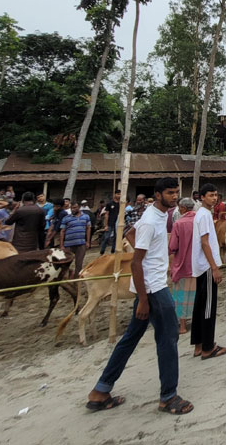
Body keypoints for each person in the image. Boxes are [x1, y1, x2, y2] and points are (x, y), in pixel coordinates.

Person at [86, 177, 192, 415]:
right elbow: (136, 262)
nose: (174, 196)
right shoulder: (150, 222)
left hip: (149, 287)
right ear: (157, 195)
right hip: (154, 289)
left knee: (130, 338)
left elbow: (131, 235)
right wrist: (143, 299)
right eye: (169, 193)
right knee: (168, 338)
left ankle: (100, 390)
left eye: (176, 192)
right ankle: (168, 396)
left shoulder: (159, 215)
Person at [190, 183, 226, 359]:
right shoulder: (204, 215)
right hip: (206, 267)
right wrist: (214, 267)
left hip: (200, 266)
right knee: (208, 308)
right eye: (210, 195)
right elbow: (205, 242)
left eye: (215, 195)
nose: (214, 198)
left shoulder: (201, 214)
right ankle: (208, 347)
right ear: (202, 197)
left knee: (199, 306)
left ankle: (198, 345)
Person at [169, 197, 197, 335]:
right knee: (196, 293)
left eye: (180, 207)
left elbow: (173, 246)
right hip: (198, 265)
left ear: (183, 209)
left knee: (181, 295)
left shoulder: (178, 224)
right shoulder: (200, 221)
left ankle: (182, 326)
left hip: (182, 265)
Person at [60, 201, 91, 275]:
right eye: (71, 208)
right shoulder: (66, 218)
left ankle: (76, 281)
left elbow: (88, 228)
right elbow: (62, 231)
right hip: (68, 244)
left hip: (81, 244)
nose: (72, 210)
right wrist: (61, 245)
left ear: (79, 207)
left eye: (74, 208)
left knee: (79, 263)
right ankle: (66, 278)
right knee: (65, 263)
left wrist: (88, 241)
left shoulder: (86, 217)